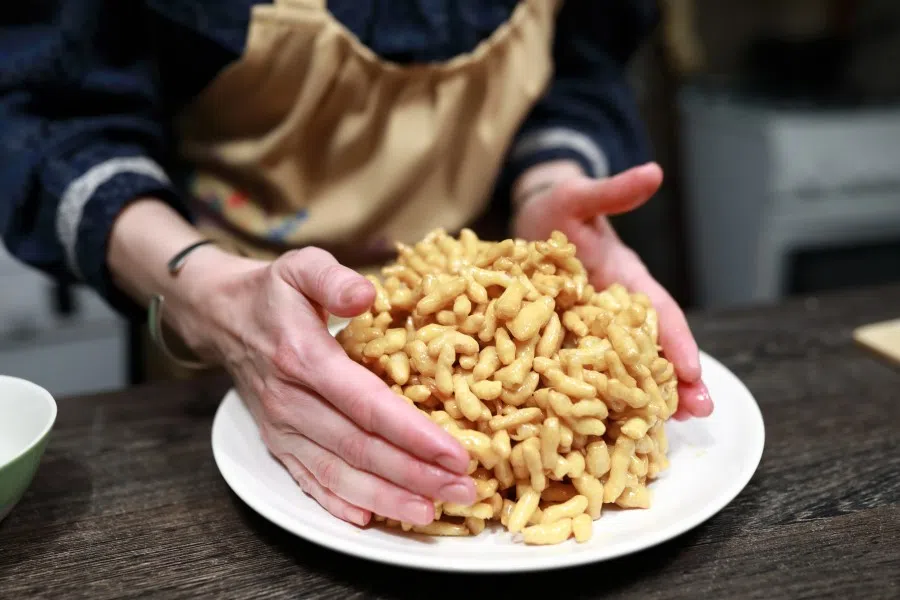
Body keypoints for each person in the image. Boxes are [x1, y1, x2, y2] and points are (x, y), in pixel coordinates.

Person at [0, 1, 712, 528]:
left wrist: (550, 187)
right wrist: (201, 288)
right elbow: (47, 111)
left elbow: (578, 58)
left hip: (484, 273)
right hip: (218, 321)